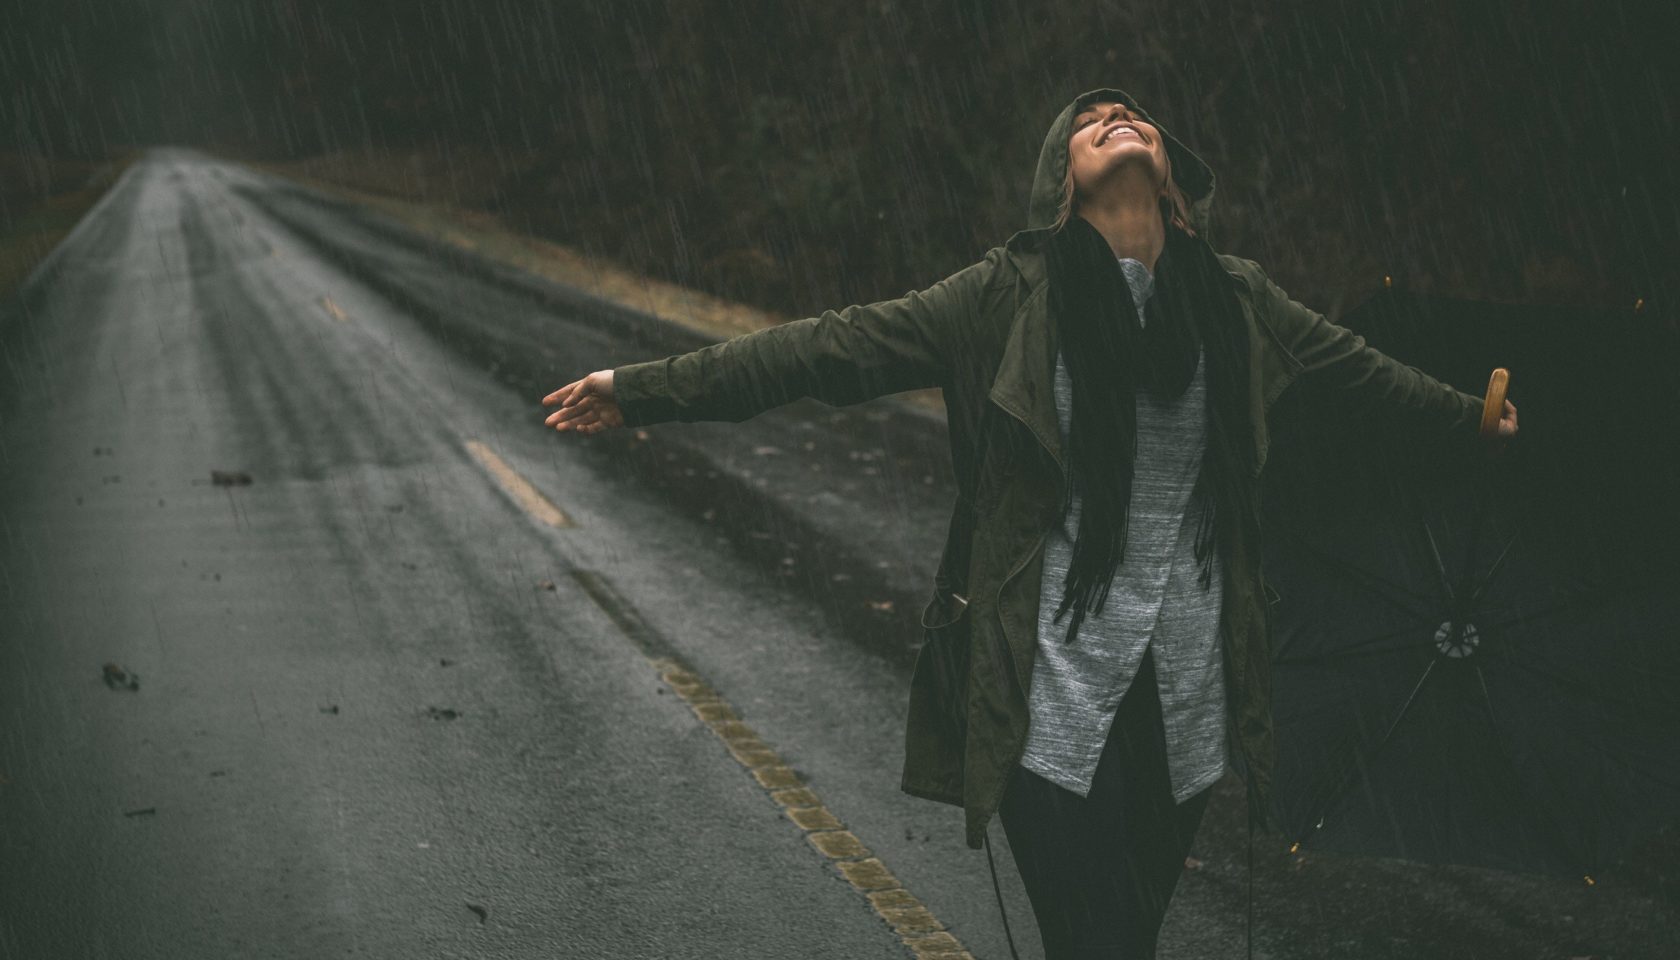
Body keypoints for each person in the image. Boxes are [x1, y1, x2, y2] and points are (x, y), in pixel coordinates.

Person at [541, 87, 1518, 959]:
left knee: (1122, 940)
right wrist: (644, 391)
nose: (1115, 116)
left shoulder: (1237, 301)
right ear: (1064, 185)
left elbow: (1359, 375)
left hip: (1181, 697)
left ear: (1173, 178)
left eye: (1131, 114)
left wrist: (1469, 415)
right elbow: (824, 351)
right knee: (1094, 941)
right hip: (1043, 688)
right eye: (1090, 122)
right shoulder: (1003, 298)